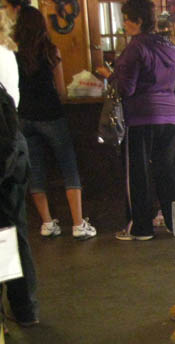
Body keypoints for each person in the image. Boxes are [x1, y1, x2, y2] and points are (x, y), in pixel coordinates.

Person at [96, 0, 175, 241]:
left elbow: (127, 87)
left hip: (142, 117)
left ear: (139, 21)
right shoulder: (171, 48)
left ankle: (141, 228)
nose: (124, 24)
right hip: (171, 117)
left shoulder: (135, 48)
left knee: (138, 172)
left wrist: (110, 76)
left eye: (127, 19)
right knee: (168, 172)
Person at [13, 4, 95, 240]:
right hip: (51, 116)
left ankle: (47, 223)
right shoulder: (51, 51)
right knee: (68, 166)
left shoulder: (12, 55)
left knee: (35, 170)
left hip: (24, 117)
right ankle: (78, 224)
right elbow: (61, 91)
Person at [0, 2, 39, 326]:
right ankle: (24, 308)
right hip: (13, 147)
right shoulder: (8, 56)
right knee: (12, 231)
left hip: (4, 146)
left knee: (4, 233)